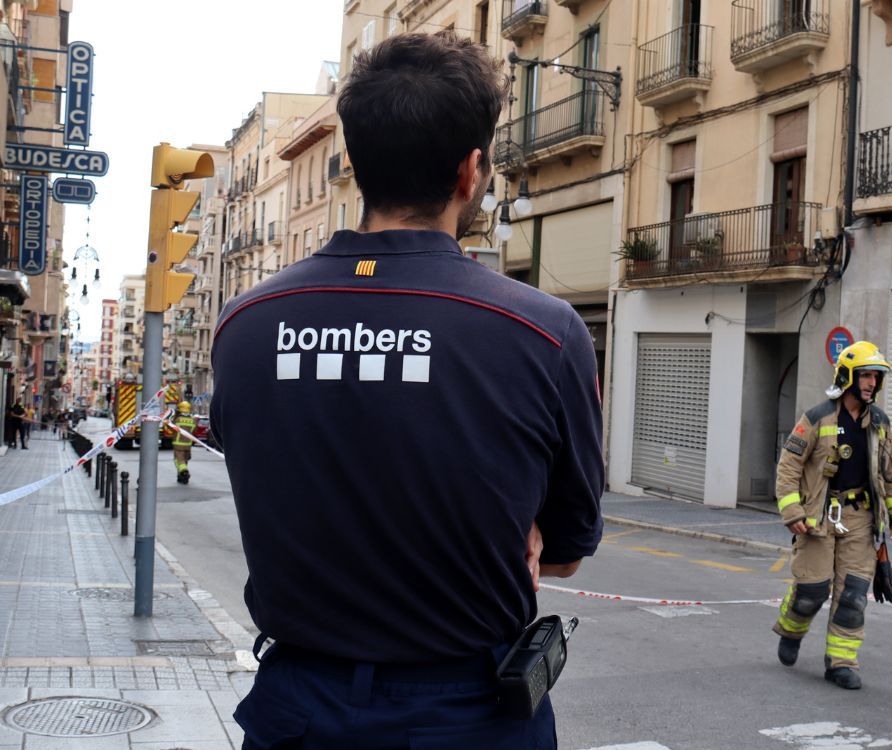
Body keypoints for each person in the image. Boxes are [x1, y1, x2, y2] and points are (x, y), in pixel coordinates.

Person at [210, 31, 604, 749]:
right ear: (471, 170)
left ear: (355, 162)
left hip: (298, 709)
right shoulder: (544, 333)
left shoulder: (245, 325)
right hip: (471, 716)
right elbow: (568, 548)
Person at [772, 341, 892, 690]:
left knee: (853, 596)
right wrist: (792, 510)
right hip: (818, 517)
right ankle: (791, 630)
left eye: (876, 377)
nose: (871, 384)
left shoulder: (880, 423)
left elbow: (890, 474)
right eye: (865, 376)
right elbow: (788, 467)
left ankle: (841, 663)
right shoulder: (817, 418)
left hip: (860, 518)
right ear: (847, 377)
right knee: (811, 592)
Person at [172, 401, 195, 484]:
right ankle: (181, 476)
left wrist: (175, 414)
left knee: (179, 461)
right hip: (188, 445)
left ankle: (184, 473)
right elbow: (194, 430)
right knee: (184, 461)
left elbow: (171, 426)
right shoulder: (192, 420)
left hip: (178, 444)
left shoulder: (178, 419)